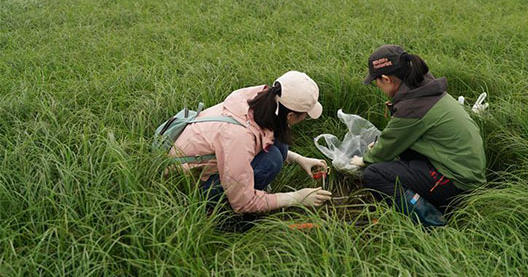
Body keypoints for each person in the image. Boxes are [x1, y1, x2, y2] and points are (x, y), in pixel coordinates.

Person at [350, 45, 486, 226]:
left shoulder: (413, 107)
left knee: (374, 174)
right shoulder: (426, 90)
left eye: (377, 82)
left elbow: (385, 149)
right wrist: (383, 147)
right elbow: (396, 138)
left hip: (458, 183)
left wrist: (365, 160)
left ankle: (433, 222)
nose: (377, 86)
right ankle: (431, 201)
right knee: (402, 153)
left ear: (386, 79)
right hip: (465, 170)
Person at [169, 71, 332, 217]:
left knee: (280, 144)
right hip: (189, 182)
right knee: (272, 161)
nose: (304, 118)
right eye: (305, 115)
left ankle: (256, 189)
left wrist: (298, 159)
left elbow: (262, 137)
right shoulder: (239, 136)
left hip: (217, 156)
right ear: (290, 116)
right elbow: (243, 203)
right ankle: (216, 212)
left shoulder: (260, 98)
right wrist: (296, 198)